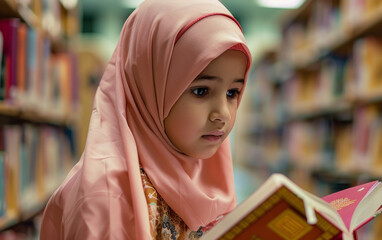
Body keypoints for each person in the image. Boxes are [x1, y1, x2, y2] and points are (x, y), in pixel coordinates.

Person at [39, 0, 252, 239]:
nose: (222, 113)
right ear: (149, 87)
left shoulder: (207, 173)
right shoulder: (108, 195)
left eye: (233, 93)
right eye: (201, 91)